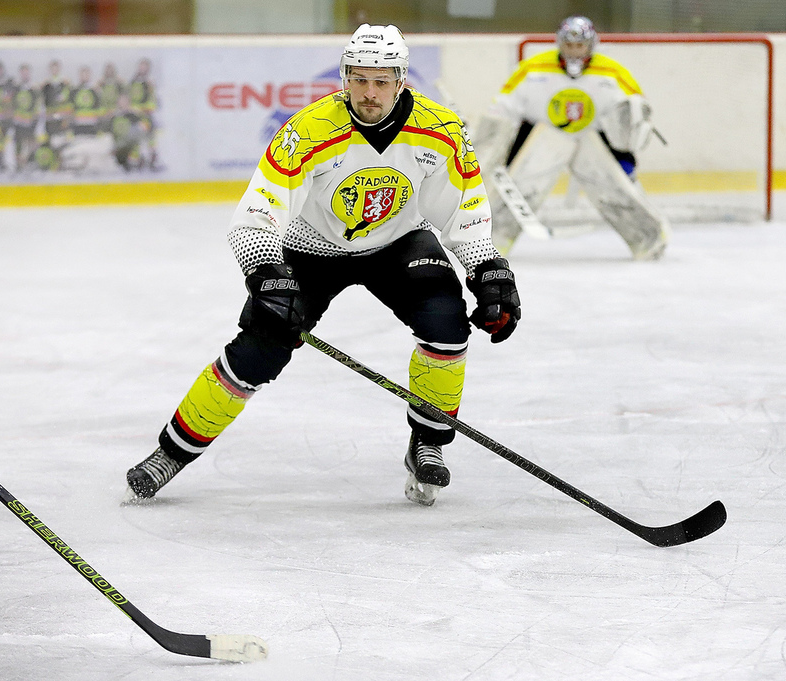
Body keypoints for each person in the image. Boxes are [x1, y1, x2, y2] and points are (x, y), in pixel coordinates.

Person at [126, 24, 520, 508]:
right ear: (344, 78)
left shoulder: (441, 130)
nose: (369, 92)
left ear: (401, 82)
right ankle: (169, 454)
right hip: (310, 249)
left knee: (447, 326)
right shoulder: (307, 131)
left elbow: (464, 213)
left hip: (398, 242)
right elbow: (256, 216)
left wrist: (487, 271)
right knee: (259, 350)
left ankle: (428, 443)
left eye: (381, 81)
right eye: (360, 79)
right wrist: (267, 274)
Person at [474, 16, 668, 259]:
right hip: (542, 136)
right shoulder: (532, 68)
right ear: (559, 43)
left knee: (618, 188)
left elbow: (635, 113)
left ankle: (648, 238)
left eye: (579, 45)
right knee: (519, 187)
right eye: (569, 45)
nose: (574, 51)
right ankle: (492, 241)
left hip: (594, 138)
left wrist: (631, 135)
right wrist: (490, 148)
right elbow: (502, 110)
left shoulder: (612, 72)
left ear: (591, 45)